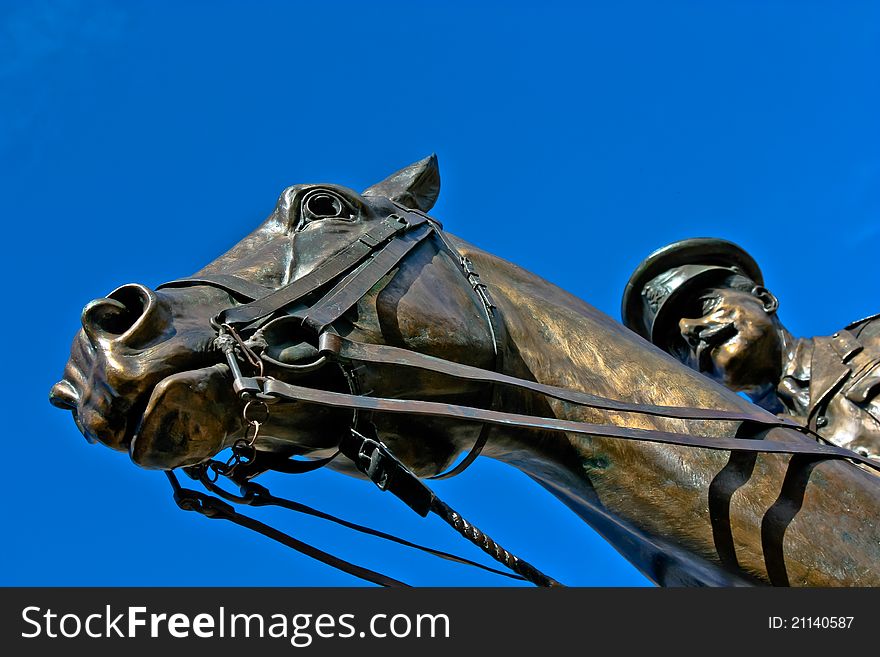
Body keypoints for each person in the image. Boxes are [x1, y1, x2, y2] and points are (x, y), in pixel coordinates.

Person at [621, 238, 880, 461]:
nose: (689, 330)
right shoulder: (757, 462)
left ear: (764, 300)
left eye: (703, 306)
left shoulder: (873, 340)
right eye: (677, 344)